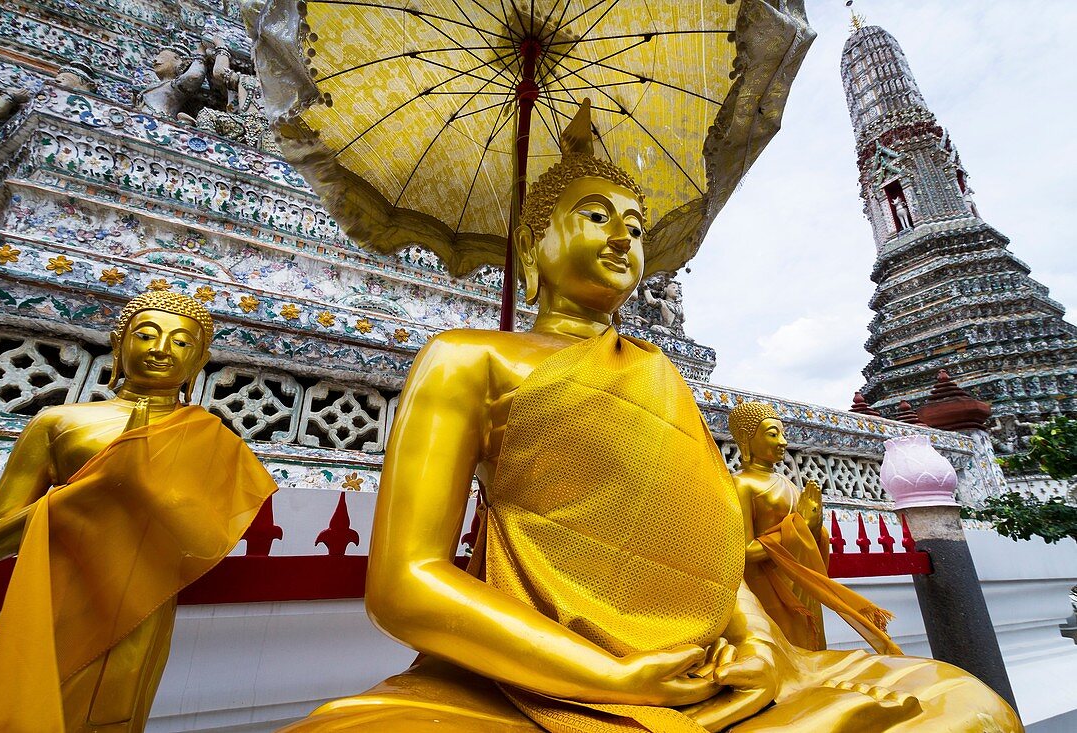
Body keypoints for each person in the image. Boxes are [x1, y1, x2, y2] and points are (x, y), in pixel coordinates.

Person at [279, 102, 1022, 732]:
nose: (623, 238)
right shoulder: (467, 358)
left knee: (966, 705)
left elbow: (703, 545)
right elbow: (406, 582)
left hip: (697, 653)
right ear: (533, 245)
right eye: (595, 215)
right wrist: (615, 673)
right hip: (534, 667)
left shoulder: (657, 372)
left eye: (635, 226)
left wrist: (759, 641)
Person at [0, 291, 277, 732]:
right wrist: (78, 499)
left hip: (141, 609)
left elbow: (204, 541)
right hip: (56, 596)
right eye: (146, 335)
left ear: (199, 362)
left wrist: (154, 498)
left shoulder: (210, 440)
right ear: (119, 346)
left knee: (115, 714)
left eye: (180, 342)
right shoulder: (61, 423)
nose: (160, 349)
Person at [729, 401, 898, 653]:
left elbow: (807, 537)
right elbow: (746, 551)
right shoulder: (742, 484)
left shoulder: (785, 482)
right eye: (773, 434)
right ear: (746, 439)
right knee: (784, 655)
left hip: (799, 583)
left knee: (813, 650)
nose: (783, 442)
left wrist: (815, 526)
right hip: (768, 590)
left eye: (783, 434)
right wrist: (802, 527)